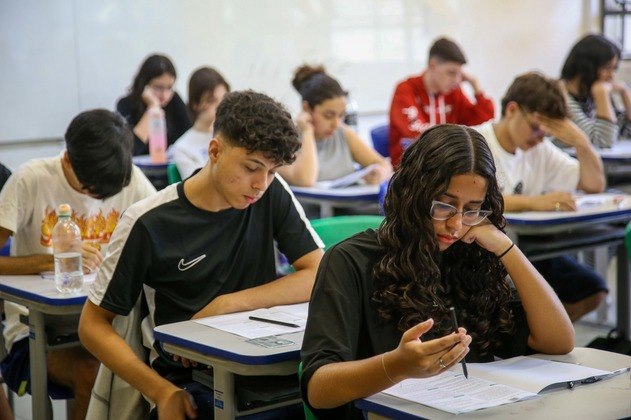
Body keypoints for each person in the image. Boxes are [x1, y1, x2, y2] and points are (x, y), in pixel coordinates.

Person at [79, 90, 324, 419]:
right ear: (215, 150)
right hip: (190, 379)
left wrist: (228, 304)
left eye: (271, 171)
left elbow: (317, 273)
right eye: (252, 168)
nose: (260, 184)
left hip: (267, 365)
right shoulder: (149, 221)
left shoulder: (271, 191)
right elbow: (93, 325)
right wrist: (161, 392)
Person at [300, 124, 575, 418]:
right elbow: (318, 390)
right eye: (444, 206)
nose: (456, 225)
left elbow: (558, 341)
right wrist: (395, 366)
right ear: (414, 194)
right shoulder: (350, 261)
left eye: (472, 210)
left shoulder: (471, 259)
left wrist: (507, 248)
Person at [0, 109, 156, 420]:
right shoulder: (31, 179)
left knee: (156, 370)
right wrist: (52, 260)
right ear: (68, 159)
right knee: (93, 371)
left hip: (110, 325)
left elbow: (164, 236)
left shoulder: (130, 179)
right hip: (38, 332)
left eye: (107, 195)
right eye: (88, 191)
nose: (96, 201)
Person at [474, 72, 607, 321]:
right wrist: (533, 202)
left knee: (592, 290)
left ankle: (534, 335)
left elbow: (594, 184)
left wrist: (581, 141)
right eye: (536, 127)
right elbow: (475, 204)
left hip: (531, 249)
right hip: (487, 255)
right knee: (515, 305)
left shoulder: (540, 150)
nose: (540, 137)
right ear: (512, 110)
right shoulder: (476, 143)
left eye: (547, 133)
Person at [388, 37, 494, 167]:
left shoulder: (453, 92)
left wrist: (476, 86)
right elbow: (416, 136)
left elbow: (483, 124)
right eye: (451, 73)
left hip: (446, 167)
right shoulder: (405, 89)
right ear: (432, 65)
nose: (456, 80)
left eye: (460, 74)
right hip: (412, 170)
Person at [281, 64, 391, 187]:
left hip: (349, 205)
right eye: (328, 115)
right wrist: (307, 132)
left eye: (341, 115)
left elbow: (383, 164)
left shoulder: (343, 132)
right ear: (306, 108)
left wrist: (380, 173)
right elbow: (305, 180)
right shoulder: (286, 140)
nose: (336, 124)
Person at [561, 34, 631, 148]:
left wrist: (625, 92)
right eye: (607, 68)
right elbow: (602, 142)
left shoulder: (590, 95)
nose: (612, 76)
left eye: (614, 69)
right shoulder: (560, 97)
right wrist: (602, 94)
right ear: (586, 67)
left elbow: (626, 133)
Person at [116, 54, 192, 156]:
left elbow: (189, 138)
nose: (164, 95)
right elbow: (130, 150)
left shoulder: (174, 100)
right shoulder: (125, 104)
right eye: (158, 87)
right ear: (144, 85)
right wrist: (153, 107)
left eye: (169, 87)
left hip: (169, 168)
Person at [170, 66, 230, 179]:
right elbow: (196, 187)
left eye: (224, 100)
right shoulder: (182, 147)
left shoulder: (231, 135)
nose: (220, 107)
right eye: (212, 100)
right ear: (195, 104)